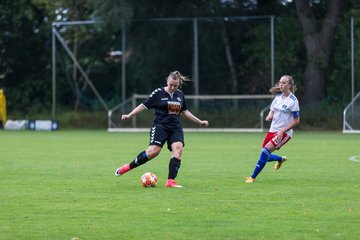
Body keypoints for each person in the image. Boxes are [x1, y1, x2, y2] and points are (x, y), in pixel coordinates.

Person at [115, 70, 209, 188]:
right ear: (167, 81)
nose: (172, 87)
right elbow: (144, 105)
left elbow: (185, 112)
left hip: (175, 128)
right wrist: (129, 115)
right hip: (160, 126)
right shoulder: (158, 93)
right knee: (153, 152)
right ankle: (127, 167)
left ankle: (170, 181)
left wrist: (200, 122)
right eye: (171, 84)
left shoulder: (180, 95)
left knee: (178, 151)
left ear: (179, 84)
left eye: (175, 85)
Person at [245, 75, 300, 183]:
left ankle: (252, 177)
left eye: (284, 83)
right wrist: (269, 115)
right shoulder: (278, 98)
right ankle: (280, 159)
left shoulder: (293, 101)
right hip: (272, 129)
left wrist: (282, 131)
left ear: (289, 85)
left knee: (265, 152)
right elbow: (272, 110)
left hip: (284, 133)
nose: (281, 84)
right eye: (280, 82)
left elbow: (296, 121)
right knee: (265, 154)